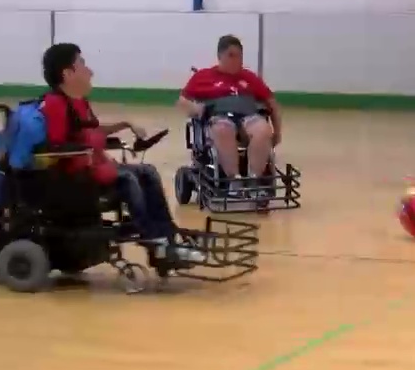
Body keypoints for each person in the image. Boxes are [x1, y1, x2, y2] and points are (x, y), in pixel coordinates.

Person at [39, 43, 203, 263]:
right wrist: (86, 152)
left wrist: (126, 124)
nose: (90, 71)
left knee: (148, 172)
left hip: (95, 167)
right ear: (67, 73)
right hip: (76, 179)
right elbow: (56, 146)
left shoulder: (79, 102)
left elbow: (93, 130)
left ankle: (167, 235)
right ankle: (154, 242)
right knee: (129, 178)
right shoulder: (54, 104)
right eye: (82, 64)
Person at [177, 35, 281, 200]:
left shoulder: (250, 78)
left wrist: (278, 132)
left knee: (263, 130)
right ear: (220, 57)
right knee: (223, 129)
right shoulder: (203, 77)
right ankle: (234, 180)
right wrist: (196, 108)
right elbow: (182, 101)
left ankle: (254, 180)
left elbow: (272, 103)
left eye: (239, 56)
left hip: (248, 116)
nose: (236, 60)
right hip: (219, 116)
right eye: (231, 55)